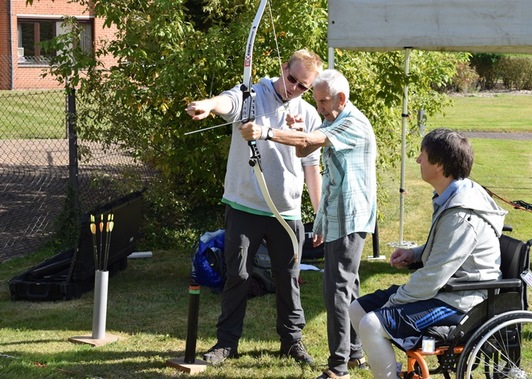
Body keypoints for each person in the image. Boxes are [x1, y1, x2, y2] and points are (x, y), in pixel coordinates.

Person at [185, 49, 323, 366]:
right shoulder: (253, 94)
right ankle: (226, 343)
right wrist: (207, 105)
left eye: (303, 86)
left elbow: (312, 168)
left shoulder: (308, 114)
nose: (294, 89)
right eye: (292, 79)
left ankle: (292, 342)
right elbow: (228, 102)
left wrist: (319, 213)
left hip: (285, 211)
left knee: (289, 277)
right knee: (238, 274)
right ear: (282, 67)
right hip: (245, 204)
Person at [240, 69, 377, 379]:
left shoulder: (352, 123)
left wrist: (266, 132)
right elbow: (305, 147)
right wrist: (298, 129)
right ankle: (354, 356)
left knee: (337, 290)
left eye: (322, 101)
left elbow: (305, 141)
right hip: (339, 216)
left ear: (341, 98)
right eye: (316, 101)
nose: (319, 108)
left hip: (350, 216)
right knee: (348, 286)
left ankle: (338, 368)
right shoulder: (334, 118)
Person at [348, 128, 507, 379]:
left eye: (423, 154)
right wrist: (415, 253)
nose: (418, 160)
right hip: (446, 290)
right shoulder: (452, 196)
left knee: (371, 322)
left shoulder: (461, 213)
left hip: (461, 302)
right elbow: (447, 251)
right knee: (357, 309)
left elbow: (434, 276)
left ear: (440, 165)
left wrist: (393, 303)